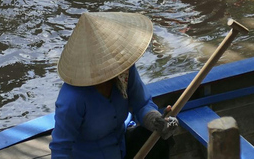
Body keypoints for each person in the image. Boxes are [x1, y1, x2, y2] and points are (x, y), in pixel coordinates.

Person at [50, 12, 178, 158]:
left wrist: (155, 120)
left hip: (120, 148)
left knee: (155, 139)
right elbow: (60, 149)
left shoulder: (124, 72)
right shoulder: (72, 98)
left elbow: (141, 104)